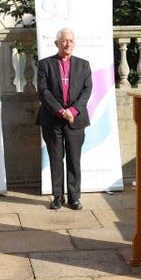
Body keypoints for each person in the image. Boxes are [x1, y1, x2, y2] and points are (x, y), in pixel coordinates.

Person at [36, 28, 92, 210]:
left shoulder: (84, 65)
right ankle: (57, 197)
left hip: (75, 120)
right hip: (52, 119)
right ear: (56, 43)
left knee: (74, 160)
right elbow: (43, 91)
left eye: (71, 41)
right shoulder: (45, 64)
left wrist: (73, 110)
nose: (68, 44)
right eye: (64, 40)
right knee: (55, 159)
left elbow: (87, 90)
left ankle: (74, 198)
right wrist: (61, 111)